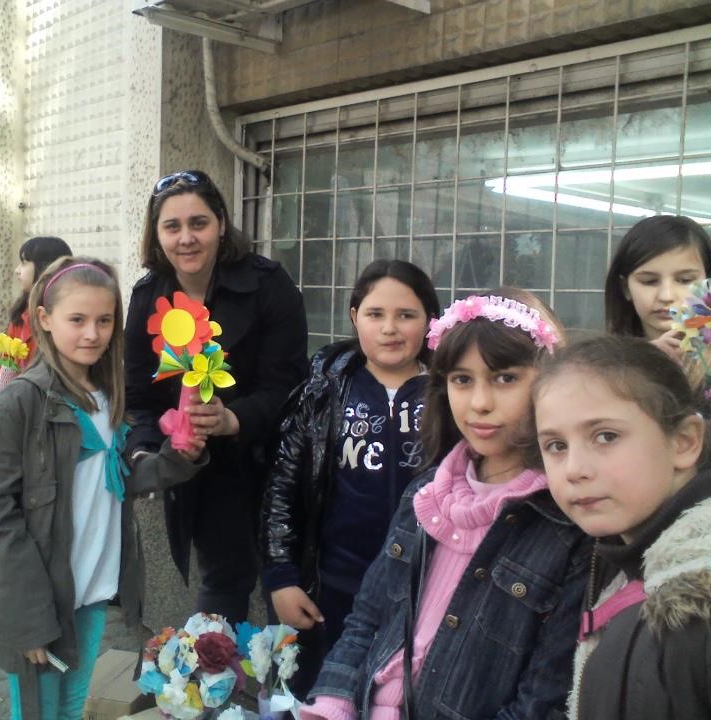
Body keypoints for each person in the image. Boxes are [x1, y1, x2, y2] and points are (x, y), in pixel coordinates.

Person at [303, 289, 590, 720]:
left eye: (505, 378)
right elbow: (367, 620)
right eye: (462, 379)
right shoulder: (426, 495)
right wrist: (331, 706)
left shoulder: (566, 525)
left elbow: (542, 697)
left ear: (548, 384)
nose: (480, 403)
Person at [0, 257, 208, 720]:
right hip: (40, 596)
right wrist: (28, 617)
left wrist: (178, 457)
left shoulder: (107, 394)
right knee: (40, 713)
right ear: (44, 320)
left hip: (92, 586)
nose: (92, 333)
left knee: (70, 707)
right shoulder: (20, 402)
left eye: (104, 321)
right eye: (78, 320)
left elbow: (117, 477)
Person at [124, 170, 309, 624]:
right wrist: (147, 451)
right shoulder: (148, 296)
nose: (186, 238)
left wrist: (234, 419)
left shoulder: (269, 284)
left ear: (221, 224)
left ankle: (287, 667)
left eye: (199, 223)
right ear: (157, 234)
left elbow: (290, 385)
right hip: (201, 472)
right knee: (222, 583)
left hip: (271, 461)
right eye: (172, 226)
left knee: (286, 585)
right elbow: (139, 395)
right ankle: (211, 666)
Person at [261, 259, 440, 699]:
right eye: (376, 314)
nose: (390, 328)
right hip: (334, 588)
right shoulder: (324, 391)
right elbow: (283, 486)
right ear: (355, 317)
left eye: (406, 315)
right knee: (330, 696)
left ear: (430, 320)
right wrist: (281, 577)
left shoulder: (449, 394)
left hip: (427, 590)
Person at [533, 335, 711, 720]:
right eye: (556, 445)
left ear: (684, 442)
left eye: (606, 437)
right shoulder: (616, 561)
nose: (574, 469)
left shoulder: (698, 609)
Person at [604, 215, 711, 362]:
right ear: (625, 288)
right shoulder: (605, 363)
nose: (666, 296)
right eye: (649, 281)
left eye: (684, 280)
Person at [0, 236, 71, 391]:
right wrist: (2, 386)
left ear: (44, 267)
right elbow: (7, 363)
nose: (17, 270)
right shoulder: (20, 316)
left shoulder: (63, 319)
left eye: (24, 263)